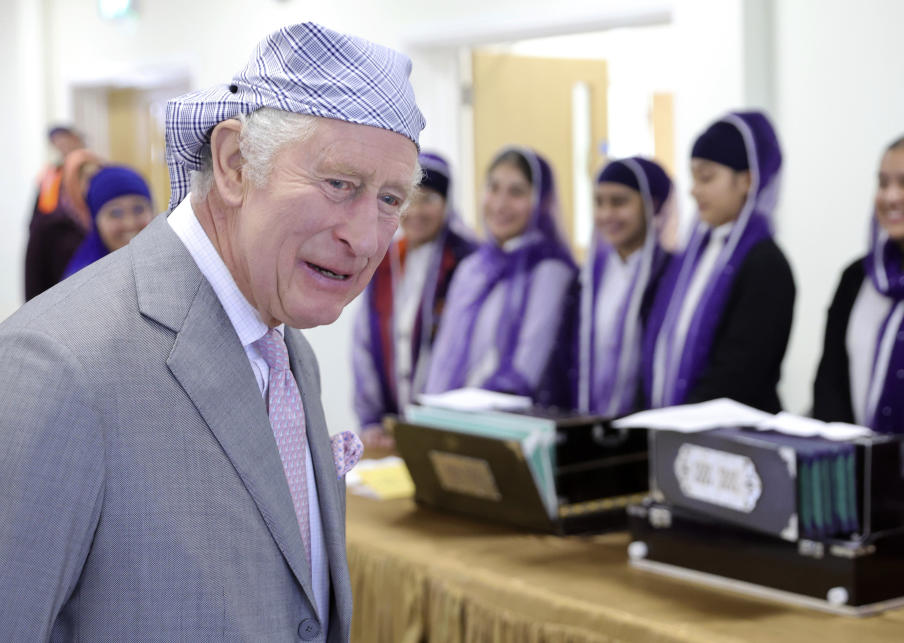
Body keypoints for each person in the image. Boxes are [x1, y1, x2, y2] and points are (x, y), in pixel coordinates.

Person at [0, 22, 423, 641]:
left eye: (390, 200)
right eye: (339, 184)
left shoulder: (286, 351)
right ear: (232, 164)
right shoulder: (57, 366)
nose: (364, 239)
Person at [642, 111, 795, 413]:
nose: (694, 190)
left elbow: (740, 372)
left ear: (747, 180)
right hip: (678, 427)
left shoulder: (766, 263)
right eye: (693, 176)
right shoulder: (691, 258)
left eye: (707, 177)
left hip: (733, 434)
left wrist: (681, 419)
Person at [814, 133, 904, 434]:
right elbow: (830, 382)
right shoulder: (857, 278)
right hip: (856, 471)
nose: (891, 197)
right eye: (883, 183)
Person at [425, 147, 578, 408]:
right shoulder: (473, 267)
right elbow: (444, 354)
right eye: (493, 188)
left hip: (509, 423)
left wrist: (470, 411)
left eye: (516, 192)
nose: (499, 204)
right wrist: (431, 410)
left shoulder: (549, 270)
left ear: (540, 200)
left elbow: (527, 365)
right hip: (450, 419)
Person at [353, 152, 476, 446]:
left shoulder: (465, 263)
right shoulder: (385, 261)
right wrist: (372, 418)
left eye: (430, 199)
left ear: (447, 205)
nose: (417, 211)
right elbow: (365, 343)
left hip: (452, 430)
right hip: (393, 430)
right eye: (408, 199)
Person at [579, 156, 675, 416]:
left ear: (651, 205)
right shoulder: (587, 279)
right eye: (599, 202)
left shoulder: (669, 275)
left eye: (619, 202)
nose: (607, 214)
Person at [24, 145, 103, 300]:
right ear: (70, 180)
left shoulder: (107, 221)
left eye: (96, 177)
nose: (91, 184)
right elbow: (34, 283)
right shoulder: (48, 226)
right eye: (85, 177)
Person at [61, 165, 155, 278]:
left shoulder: (171, 264)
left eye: (138, 209)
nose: (129, 223)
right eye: (115, 213)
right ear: (96, 221)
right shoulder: (82, 282)